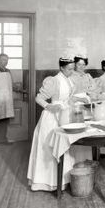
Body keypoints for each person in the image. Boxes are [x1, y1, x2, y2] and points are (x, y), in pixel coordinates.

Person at [27, 57, 91, 191]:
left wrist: (79, 98)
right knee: (51, 148)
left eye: (72, 69)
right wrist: (48, 106)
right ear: (61, 68)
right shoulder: (53, 80)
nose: (71, 71)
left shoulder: (68, 79)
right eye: (68, 69)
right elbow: (38, 98)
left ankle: (64, 180)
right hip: (51, 118)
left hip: (65, 115)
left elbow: (68, 98)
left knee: (65, 147)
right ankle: (47, 182)